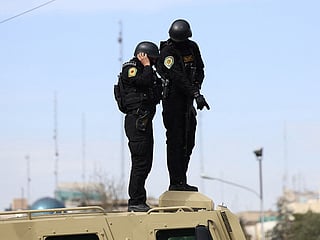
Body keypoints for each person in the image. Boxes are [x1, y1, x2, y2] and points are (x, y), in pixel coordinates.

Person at [157, 19, 210, 192]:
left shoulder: (192, 47)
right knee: (175, 141)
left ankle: (183, 179)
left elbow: (200, 69)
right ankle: (176, 181)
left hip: (188, 102)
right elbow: (177, 77)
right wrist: (196, 94)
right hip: (173, 101)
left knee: (189, 141)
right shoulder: (167, 52)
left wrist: (196, 87)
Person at [121, 41, 162, 212]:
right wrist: (146, 66)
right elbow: (143, 82)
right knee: (139, 162)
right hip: (136, 121)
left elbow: (155, 89)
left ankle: (139, 200)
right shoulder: (131, 69)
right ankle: (135, 201)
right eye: (151, 59)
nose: (152, 63)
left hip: (144, 121)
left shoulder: (148, 71)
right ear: (143, 56)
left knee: (146, 162)